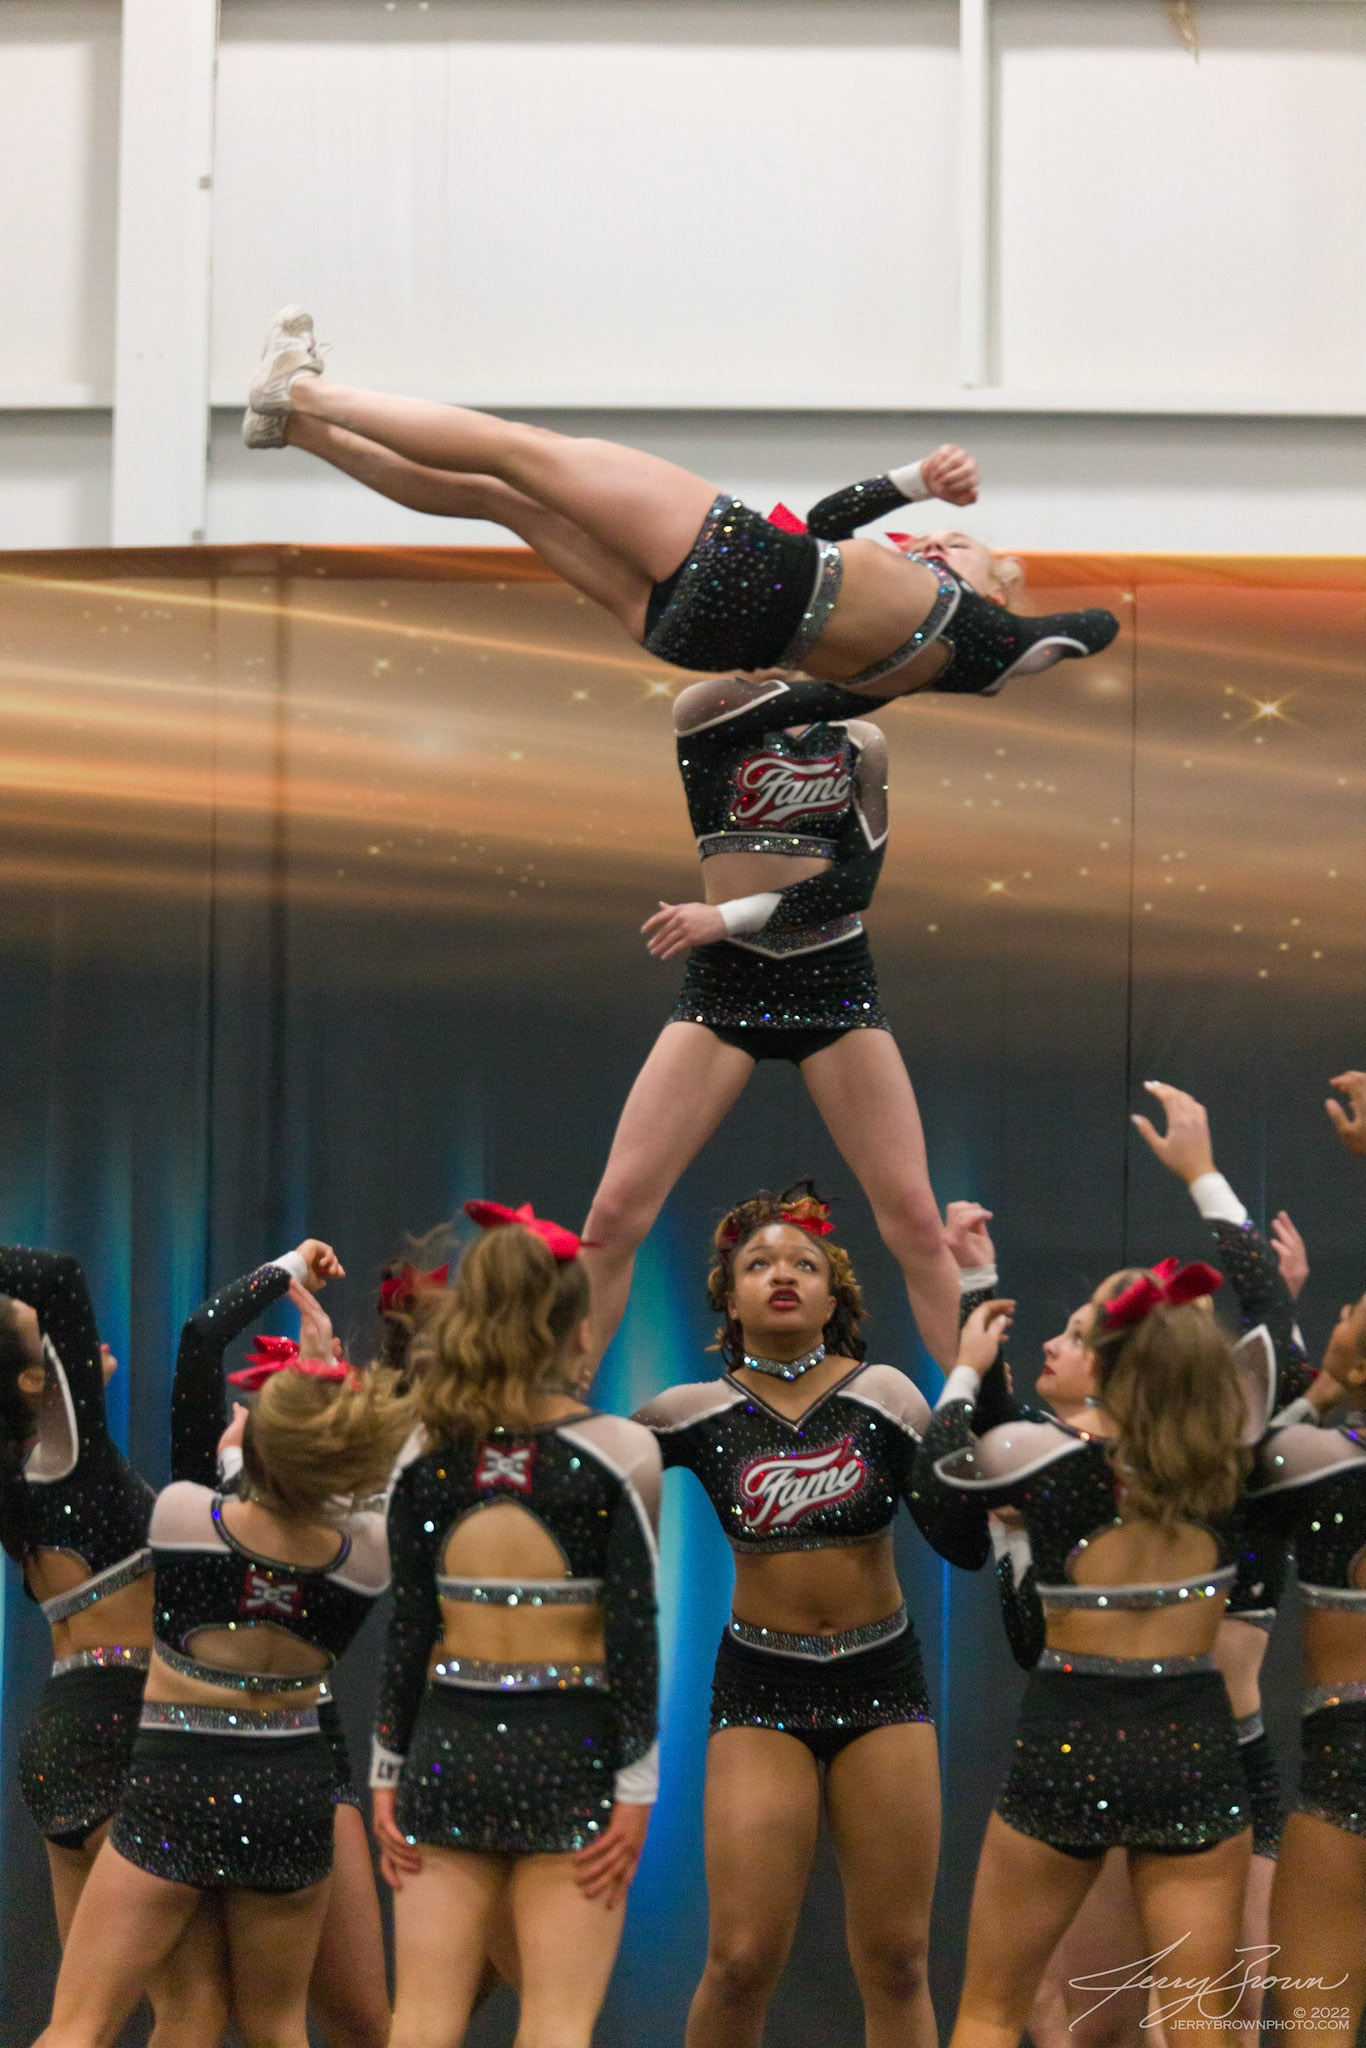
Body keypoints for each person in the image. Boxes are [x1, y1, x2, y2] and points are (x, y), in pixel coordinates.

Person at [243, 307, 1117, 698]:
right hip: (696, 632)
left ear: (997, 590)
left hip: (746, 571)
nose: (934, 542)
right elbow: (820, 528)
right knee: (501, 498)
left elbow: (1084, 630)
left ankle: (306, 391)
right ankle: (296, 431)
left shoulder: (984, 638)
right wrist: (915, 482)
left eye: (959, 544)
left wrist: (1041, 638)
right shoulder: (913, 651)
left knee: (528, 453)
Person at [633, 1186, 986, 2048]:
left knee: (898, 1960)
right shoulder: (692, 1411)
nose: (782, 1275)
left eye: (804, 1263)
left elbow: (967, 1536)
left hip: (882, 1679)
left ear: (835, 1298)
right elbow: (583, 1467)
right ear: (729, 1298)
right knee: (740, 1959)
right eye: (758, 1264)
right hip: (762, 1687)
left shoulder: (886, 1395)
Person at [33, 1274, 413, 2048]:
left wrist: (251, 1441)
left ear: (254, 1446)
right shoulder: (369, 1558)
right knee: (276, 2025)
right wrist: (323, 1390)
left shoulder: (181, 1516)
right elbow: (364, 1488)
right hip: (291, 1790)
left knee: (81, 2024)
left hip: (179, 1781)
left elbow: (241, 1487)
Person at [581, 651, 965, 1367]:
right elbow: (813, 694)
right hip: (728, 984)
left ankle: (985, 1405)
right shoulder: (707, 710)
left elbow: (852, 887)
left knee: (916, 1219)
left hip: (832, 980)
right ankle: (563, 1397)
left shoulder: (859, 741)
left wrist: (725, 916)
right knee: (615, 1211)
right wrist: (924, 654)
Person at [916, 1258, 1261, 2048]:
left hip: (1070, 1739)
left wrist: (966, 1372)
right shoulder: (1231, 1468)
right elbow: (1279, 1358)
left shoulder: (1041, 1457)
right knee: (1198, 2021)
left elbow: (933, 1489)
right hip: (1191, 1747)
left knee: (991, 2009)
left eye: (1079, 1332)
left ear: (1105, 1362)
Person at [369, 1200, 661, 2048]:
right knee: (558, 2022)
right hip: (570, 1749)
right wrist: (636, 1789)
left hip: (446, 1745)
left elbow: (410, 1629)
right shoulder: (621, 1452)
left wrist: (388, 1769)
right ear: (578, 1335)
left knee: (422, 2019)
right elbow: (632, 1635)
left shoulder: (423, 1452)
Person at [168, 1250, 397, 2048]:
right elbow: (200, 1338)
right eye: (261, 1397)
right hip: (190, 1757)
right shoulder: (199, 1494)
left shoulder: (350, 1531)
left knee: (358, 2021)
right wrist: (288, 1268)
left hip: (306, 1753)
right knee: (195, 2017)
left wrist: (322, 1357)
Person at [1254, 1292, 1366, 2047]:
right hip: (1341, 1771)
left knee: (1317, 2027)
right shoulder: (1320, 1461)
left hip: (1343, 1774)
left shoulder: (1316, 1460)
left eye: (1355, 1310)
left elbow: (1232, 1469)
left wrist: (1321, 1391)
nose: (1345, 1308)